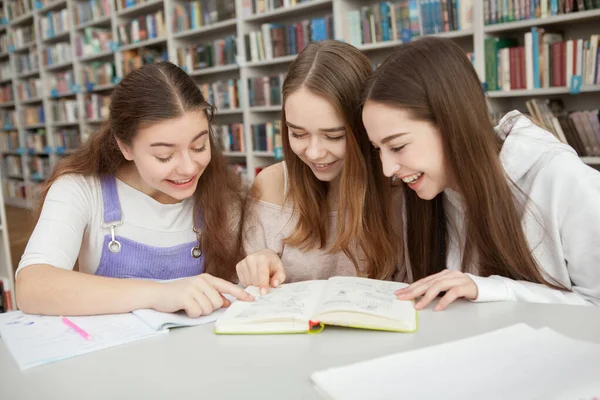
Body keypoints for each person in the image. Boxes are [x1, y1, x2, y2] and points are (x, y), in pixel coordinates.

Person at [362, 36, 600, 310]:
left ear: (451, 123)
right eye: (378, 149)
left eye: (398, 146)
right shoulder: (423, 195)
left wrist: (487, 288)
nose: (387, 169)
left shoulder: (562, 178)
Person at [16, 61, 253, 317]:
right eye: (164, 156)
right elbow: (32, 287)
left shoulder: (221, 195)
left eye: (199, 147)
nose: (188, 168)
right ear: (125, 146)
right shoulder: (80, 190)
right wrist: (159, 293)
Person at [236, 40, 399, 294]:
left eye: (334, 136)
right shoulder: (271, 185)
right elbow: (248, 292)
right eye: (298, 134)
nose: (314, 153)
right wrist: (256, 265)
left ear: (364, 127)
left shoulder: (396, 182)